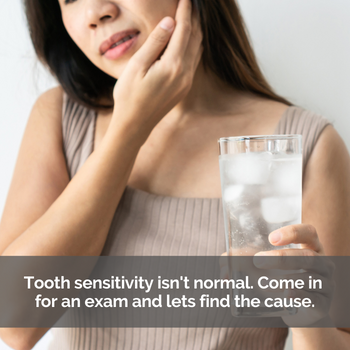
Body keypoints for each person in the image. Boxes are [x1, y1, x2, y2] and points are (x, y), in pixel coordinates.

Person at [0, 0, 349, 349]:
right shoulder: (60, 118)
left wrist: (309, 318)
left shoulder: (300, 147)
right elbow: (13, 323)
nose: (96, 12)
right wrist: (130, 130)